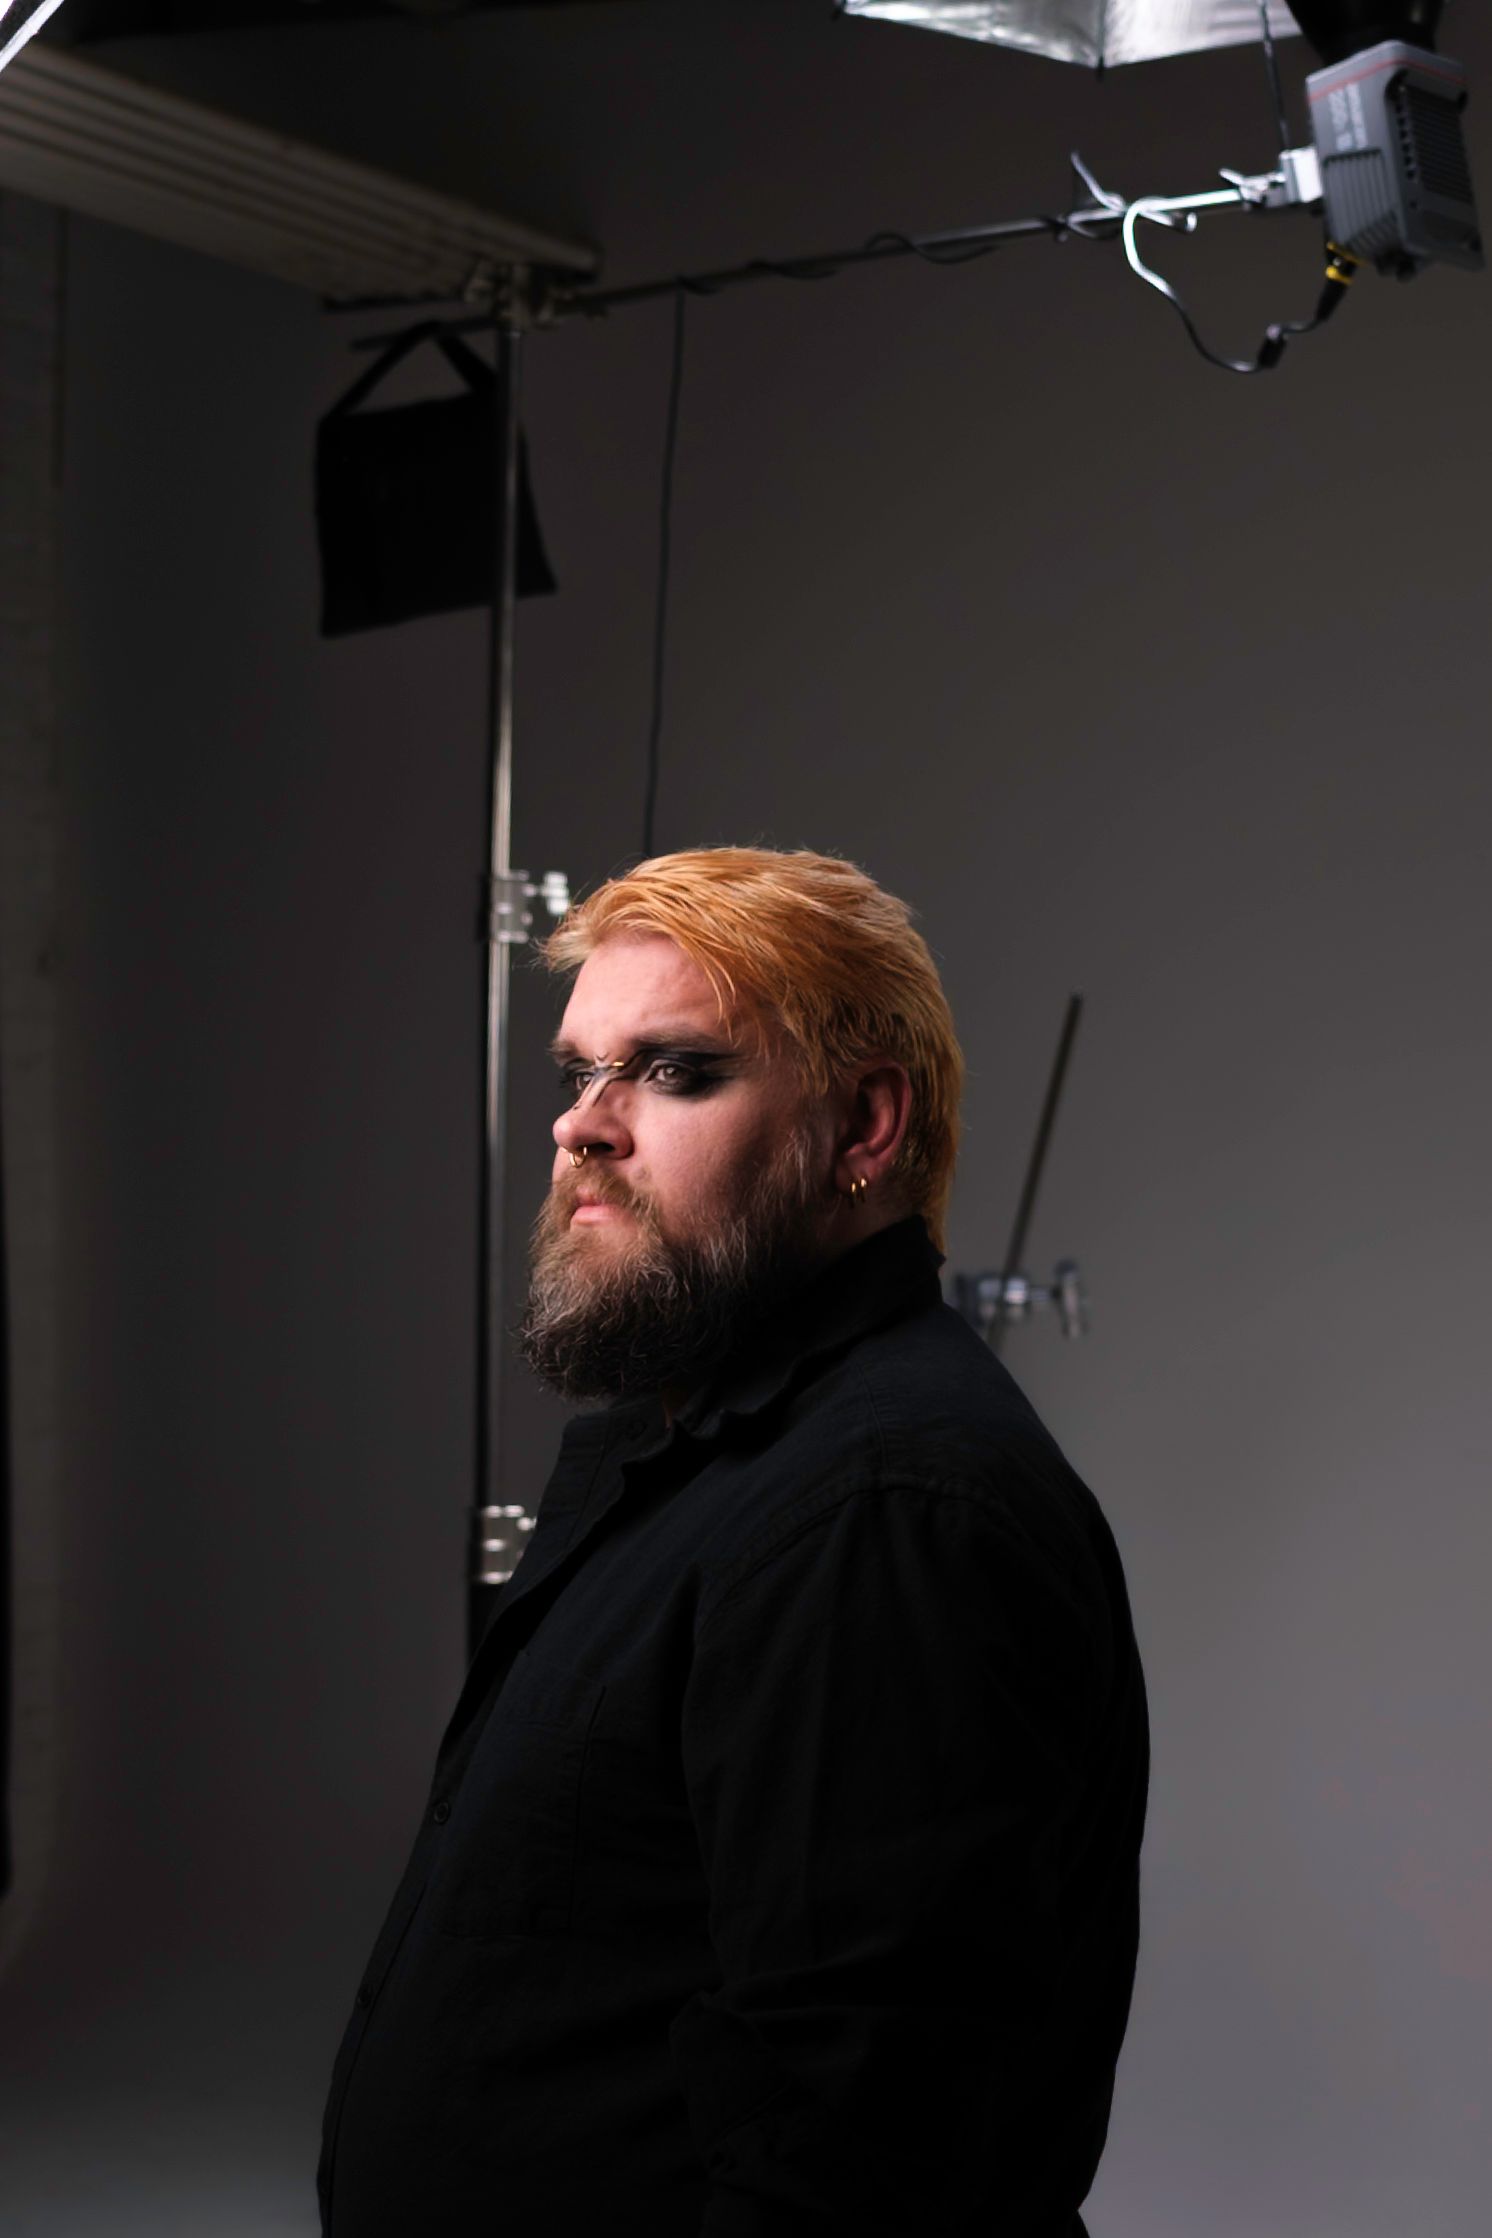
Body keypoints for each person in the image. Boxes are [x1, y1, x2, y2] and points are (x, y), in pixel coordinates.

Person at [318, 847, 1148, 2237]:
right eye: (577, 1072)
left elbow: (855, 2164)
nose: (585, 1124)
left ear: (863, 1129)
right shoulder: (705, 1455)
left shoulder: (884, 1509)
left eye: (674, 1070)